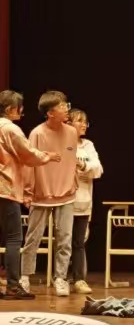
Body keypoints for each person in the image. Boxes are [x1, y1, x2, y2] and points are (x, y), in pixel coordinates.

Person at [0, 90, 61, 301]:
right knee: (14, 238)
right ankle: (13, 286)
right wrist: (48, 156)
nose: (21, 111)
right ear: (10, 109)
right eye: (19, 108)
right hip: (5, 189)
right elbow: (28, 154)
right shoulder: (10, 129)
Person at [21, 91, 78, 297]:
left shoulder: (72, 132)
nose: (66, 109)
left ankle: (60, 278)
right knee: (33, 238)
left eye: (66, 105)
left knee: (65, 239)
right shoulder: (37, 133)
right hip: (42, 193)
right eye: (62, 106)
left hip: (67, 193)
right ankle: (25, 276)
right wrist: (28, 191)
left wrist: (73, 182)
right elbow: (29, 162)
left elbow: (71, 159)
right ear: (50, 112)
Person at [67, 109, 101, 295]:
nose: (83, 125)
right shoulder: (62, 143)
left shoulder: (88, 145)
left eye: (85, 122)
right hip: (64, 200)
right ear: (68, 123)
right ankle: (60, 277)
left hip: (83, 202)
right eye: (79, 121)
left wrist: (83, 165)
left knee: (79, 242)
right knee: (63, 242)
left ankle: (79, 280)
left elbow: (98, 169)